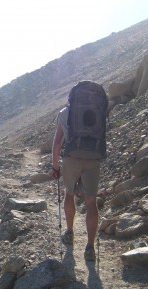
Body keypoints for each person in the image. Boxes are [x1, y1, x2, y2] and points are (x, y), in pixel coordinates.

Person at [50, 87, 104, 262]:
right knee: (90, 201)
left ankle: (70, 232)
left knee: (69, 193)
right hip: (93, 157)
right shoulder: (98, 109)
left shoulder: (64, 113)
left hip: (71, 157)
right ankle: (90, 247)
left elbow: (58, 142)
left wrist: (55, 166)